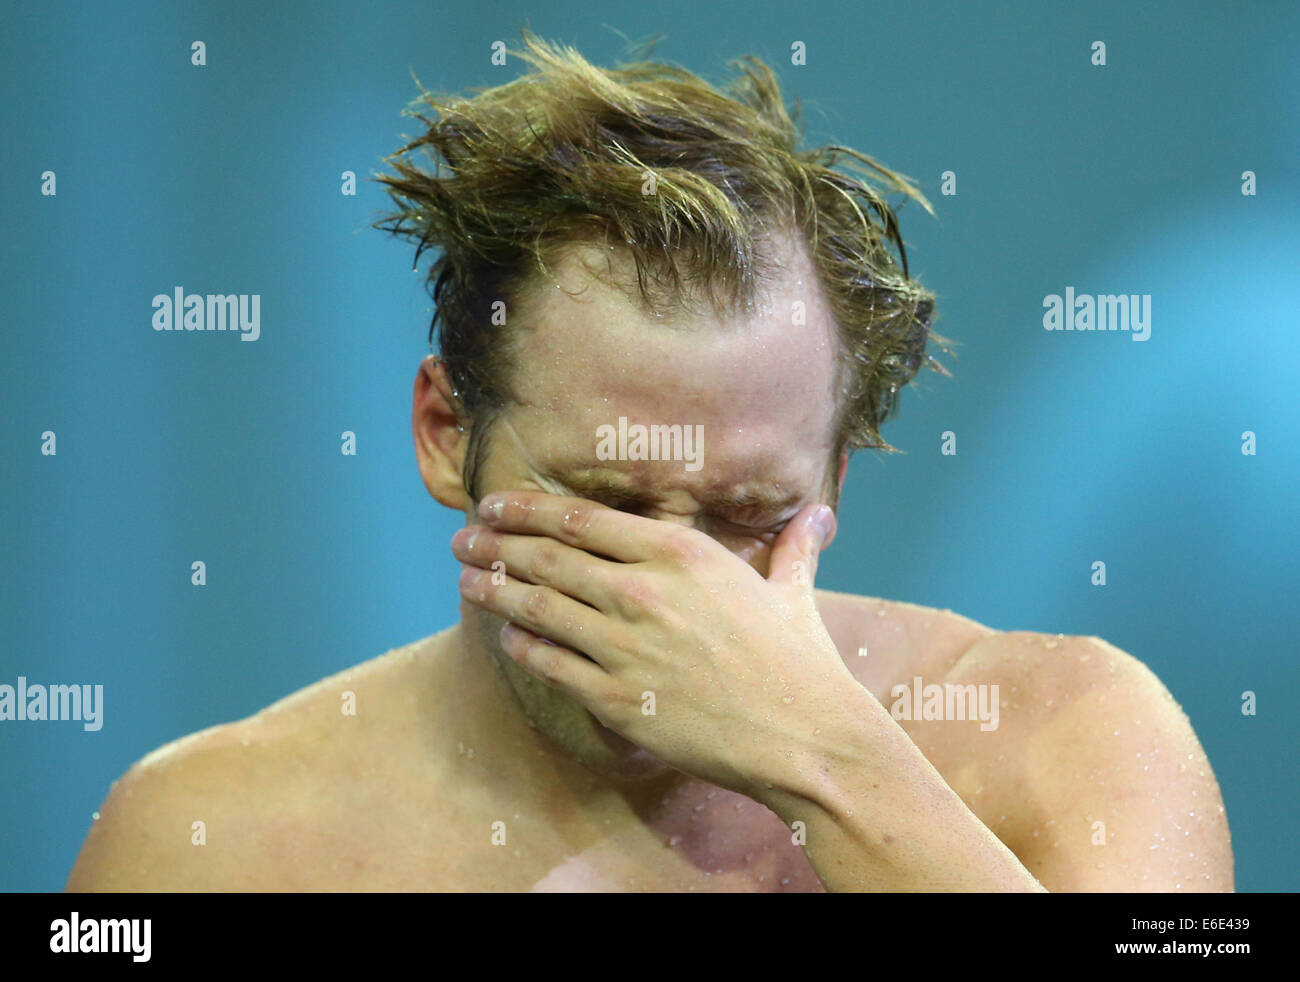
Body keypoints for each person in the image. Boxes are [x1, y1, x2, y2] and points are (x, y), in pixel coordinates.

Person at [66, 30, 1232, 892]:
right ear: (445, 434)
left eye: (742, 513)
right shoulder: (204, 837)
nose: (669, 589)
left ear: (832, 487)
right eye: (606, 500)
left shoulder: (1078, 737)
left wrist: (823, 763)